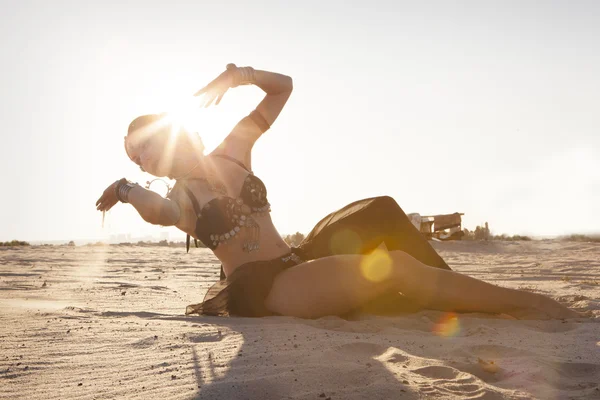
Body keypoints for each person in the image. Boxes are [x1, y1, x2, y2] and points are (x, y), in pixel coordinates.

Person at [96, 63, 578, 320]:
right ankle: (521, 302)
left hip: (296, 261)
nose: (141, 160)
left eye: (142, 148)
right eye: (134, 160)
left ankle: (477, 302)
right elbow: (159, 211)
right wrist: (126, 190)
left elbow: (283, 88)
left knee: (387, 238)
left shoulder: (233, 150)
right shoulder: (184, 198)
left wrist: (239, 76)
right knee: (397, 268)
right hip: (267, 287)